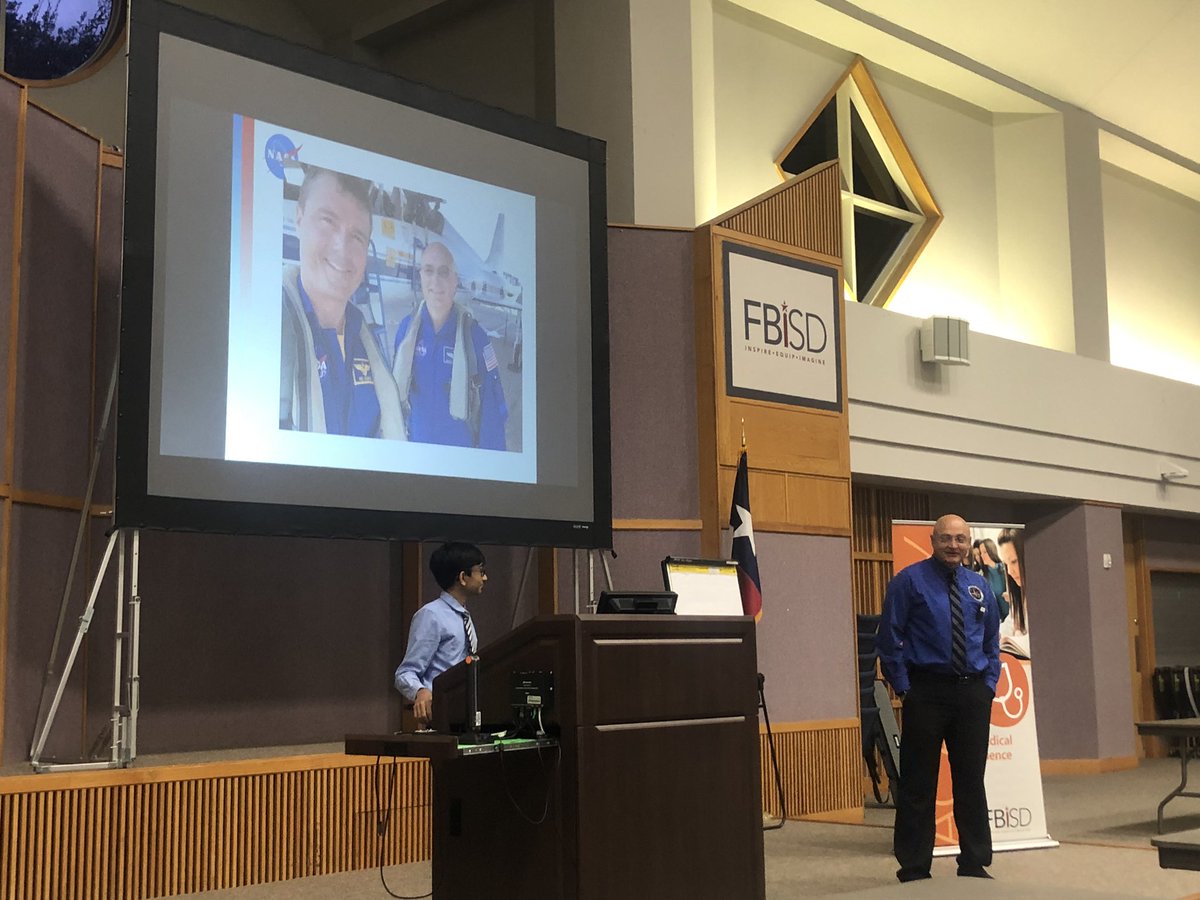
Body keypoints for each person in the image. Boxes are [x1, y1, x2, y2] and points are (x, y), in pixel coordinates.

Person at [876, 514, 1001, 883]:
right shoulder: (908, 581)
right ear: (932, 541)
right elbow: (889, 640)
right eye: (946, 538)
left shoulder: (978, 585)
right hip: (926, 692)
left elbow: (991, 641)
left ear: (968, 543)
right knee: (918, 782)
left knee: (971, 780)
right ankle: (914, 866)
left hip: (972, 694)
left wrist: (989, 685)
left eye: (960, 539)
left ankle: (974, 862)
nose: (953, 545)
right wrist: (905, 688)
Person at [280, 166, 405, 438]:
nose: (342, 248)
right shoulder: (266, 334)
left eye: (357, 237)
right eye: (328, 222)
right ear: (299, 219)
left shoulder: (366, 342)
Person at [392, 242, 508, 449]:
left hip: (460, 459)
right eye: (429, 271)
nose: (435, 280)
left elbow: (493, 415)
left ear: (455, 281)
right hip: (416, 453)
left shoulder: (476, 339)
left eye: (444, 272)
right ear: (421, 276)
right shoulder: (406, 332)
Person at [394, 542, 488, 727]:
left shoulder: (464, 616)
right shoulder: (431, 615)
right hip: (441, 716)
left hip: (466, 713)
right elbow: (405, 673)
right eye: (481, 571)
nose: (485, 578)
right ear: (463, 577)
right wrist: (420, 691)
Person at [973, 538, 1010, 622]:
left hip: (1012, 616)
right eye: (981, 553)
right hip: (998, 621)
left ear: (991, 551)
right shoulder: (982, 576)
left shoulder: (1005, 569)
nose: (982, 556)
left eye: (985, 552)